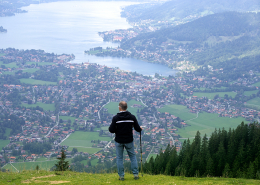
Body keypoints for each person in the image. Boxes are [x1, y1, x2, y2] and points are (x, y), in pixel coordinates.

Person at [109, 101, 142, 181]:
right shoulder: (132, 117)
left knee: (119, 158)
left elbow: (111, 130)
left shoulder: (115, 118)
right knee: (133, 157)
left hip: (119, 140)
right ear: (126, 107)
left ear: (120, 107)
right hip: (129, 140)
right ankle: (135, 175)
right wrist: (140, 128)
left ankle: (121, 176)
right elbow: (137, 129)